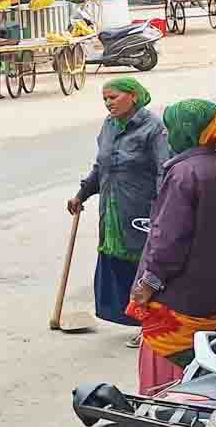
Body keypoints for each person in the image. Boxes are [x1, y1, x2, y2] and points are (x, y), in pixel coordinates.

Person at [128, 100, 216, 393]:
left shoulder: (183, 174)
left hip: (179, 295)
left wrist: (149, 283)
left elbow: (168, 240)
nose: (165, 135)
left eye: (170, 128)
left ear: (187, 131)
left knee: (165, 377)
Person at [68, 78, 170, 343]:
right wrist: (83, 193)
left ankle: (151, 323)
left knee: (145, 265)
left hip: (141, 209)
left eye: (113, 97)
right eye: (105, 99)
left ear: (133, 96)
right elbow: (101, 165)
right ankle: (136, 318)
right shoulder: (109, 126)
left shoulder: (154, 128)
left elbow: (164, 170)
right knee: (120, 264)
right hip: (113, 208)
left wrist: (163, 208)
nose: (108, 103)